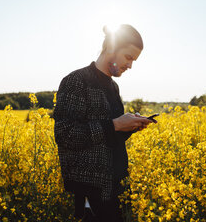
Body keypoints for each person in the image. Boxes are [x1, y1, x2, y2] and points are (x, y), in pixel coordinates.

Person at [53, 24, 154, 221]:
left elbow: (108, 137)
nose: (131, 65)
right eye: (129, 57)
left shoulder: (113, 87)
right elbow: (64, 134)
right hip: (90, 191)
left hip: (116, 185)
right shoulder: (76, 81)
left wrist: (130, 126)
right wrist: (115, 124)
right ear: (111, 47)